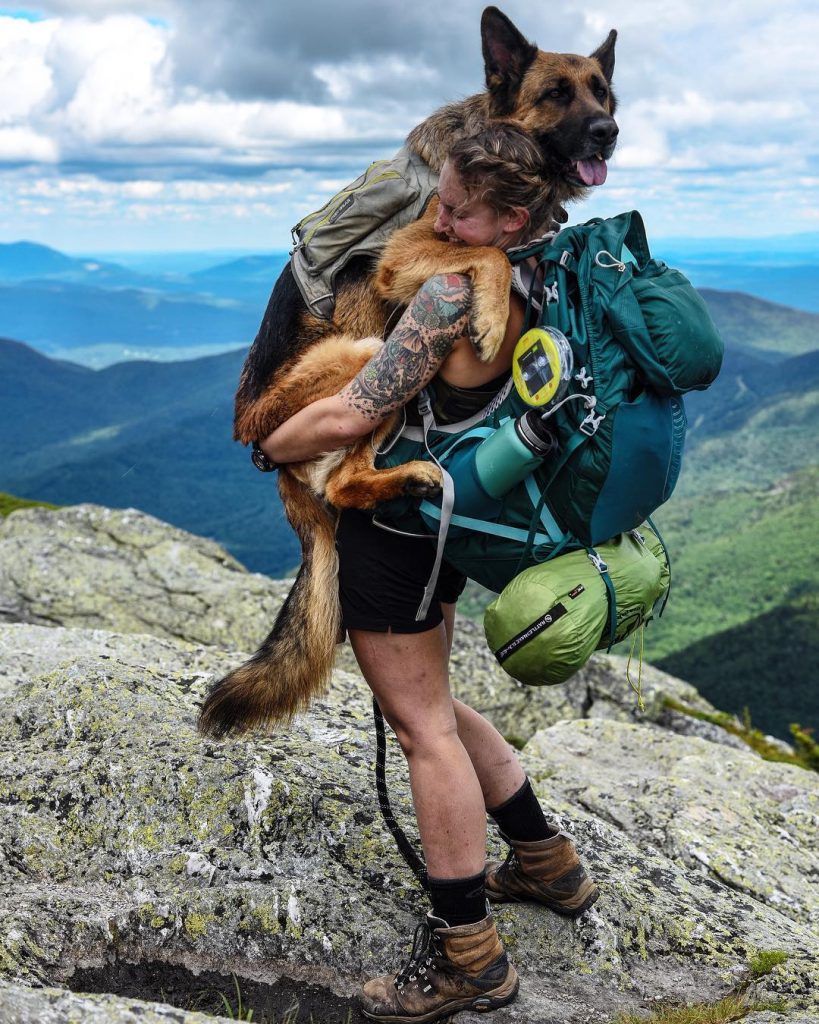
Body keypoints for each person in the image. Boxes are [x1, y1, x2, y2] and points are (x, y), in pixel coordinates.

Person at [259, 124, 597, 1023]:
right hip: (453, 516)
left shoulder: (453, 294)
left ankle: (468, 956)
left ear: (510, 215)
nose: (437, 219)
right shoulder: (550, 273)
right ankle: (545, 862)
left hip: (398, 527)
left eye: (455, 208)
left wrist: (268, 444)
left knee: (421, 734)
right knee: (432, 704)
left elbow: (347, 417)